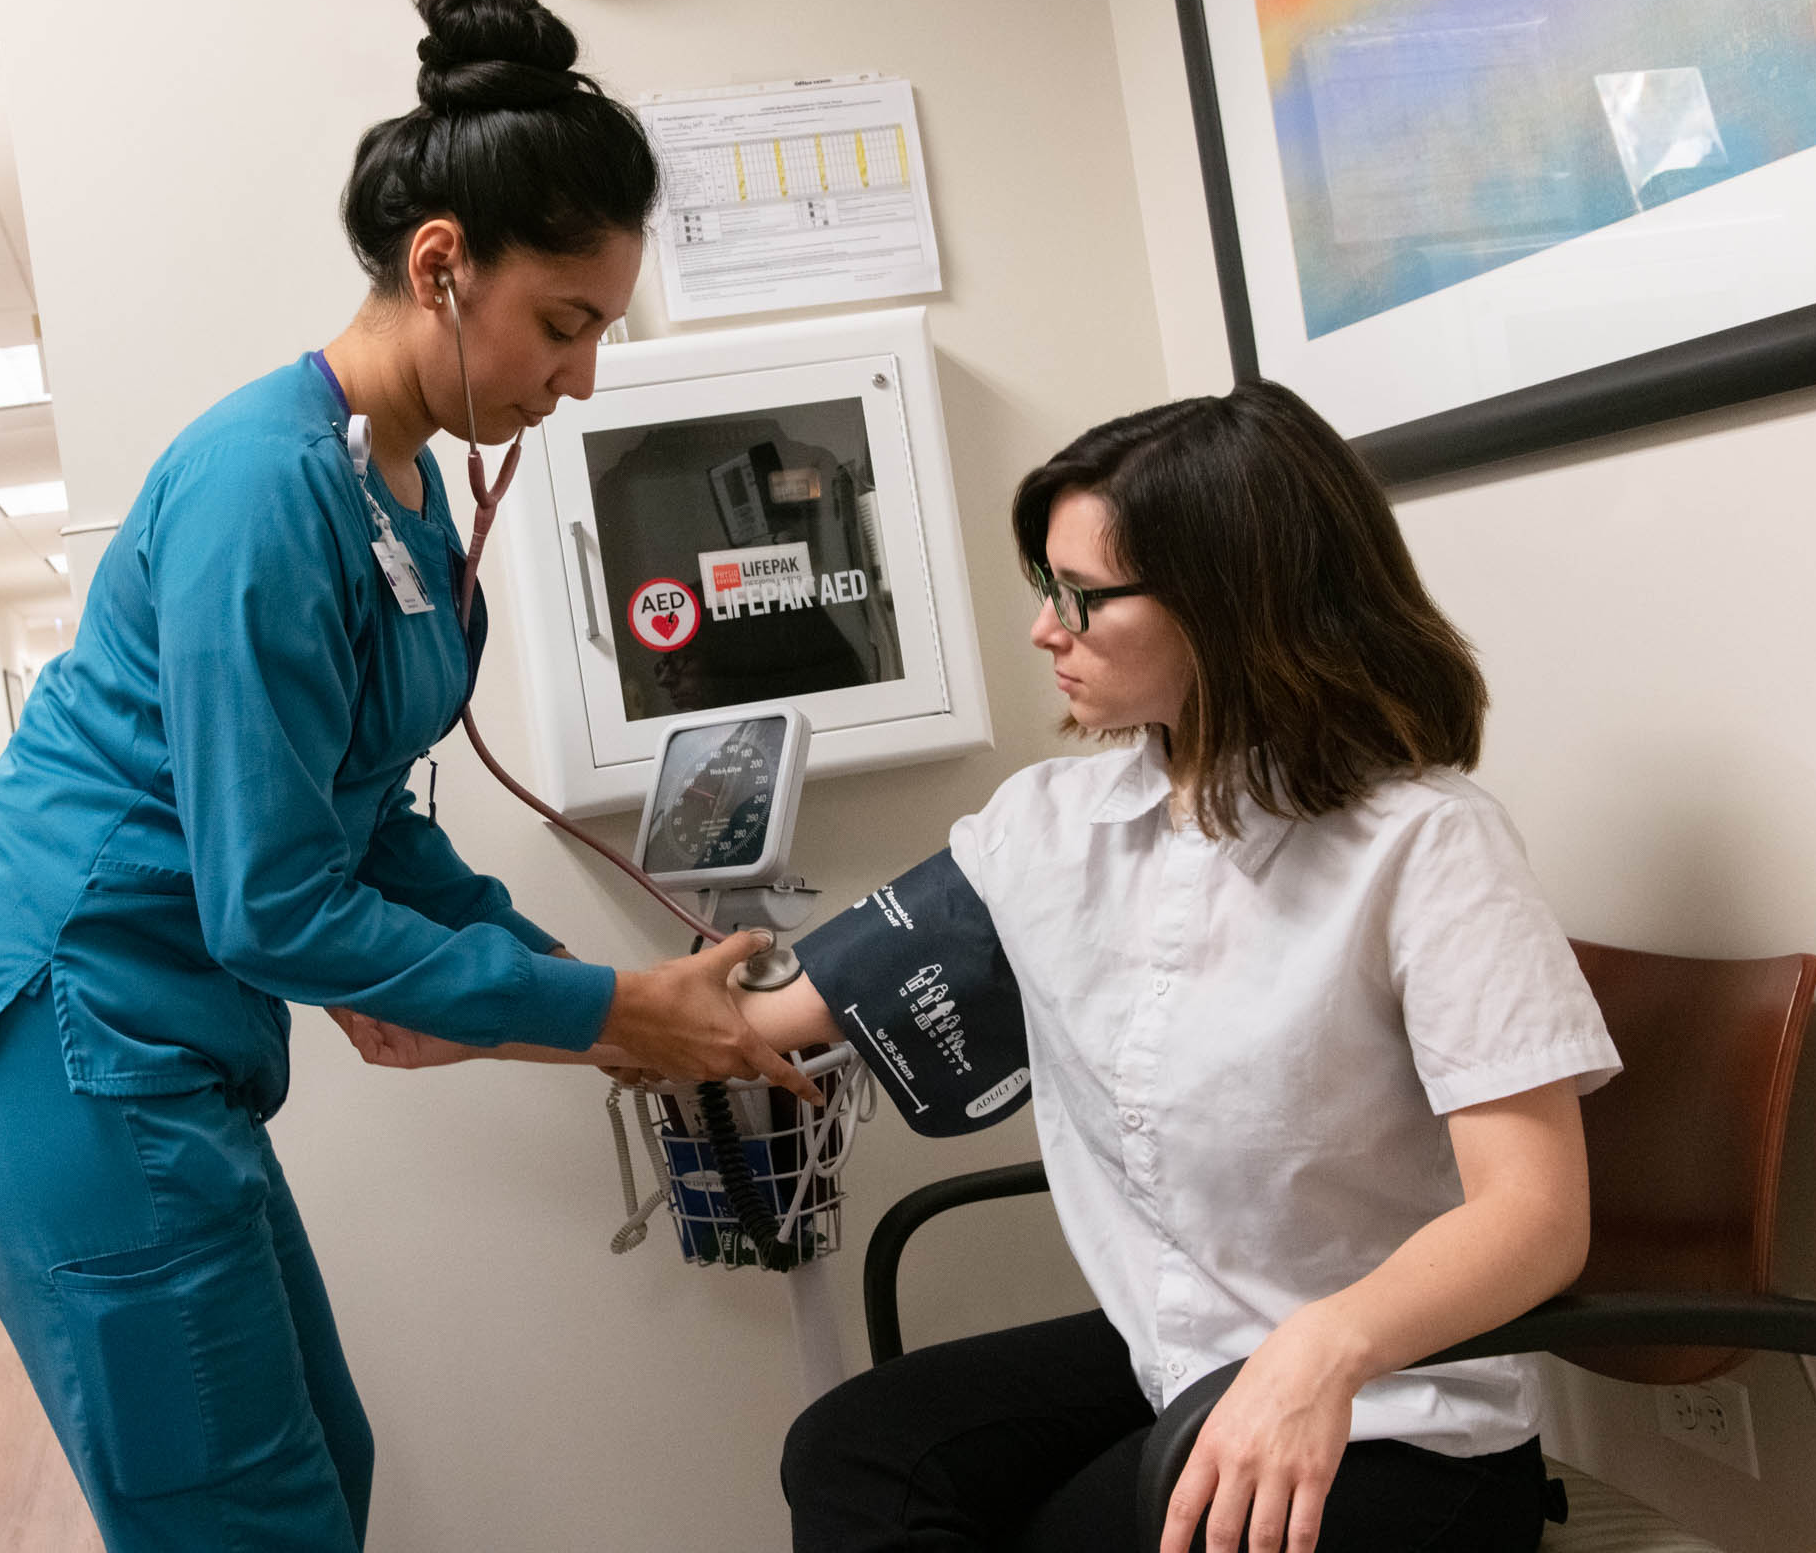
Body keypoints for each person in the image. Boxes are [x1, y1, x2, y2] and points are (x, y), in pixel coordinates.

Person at [0, 0, 805, 1552]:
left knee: (321, 1466)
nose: (580, 379)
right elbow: (277, 906)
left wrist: (593, 995)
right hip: (46, 1036)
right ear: (441, 266)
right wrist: (601, 1015)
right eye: (562, 324)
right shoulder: (263, 490)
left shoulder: (400, 493)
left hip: (155, 1034)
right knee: (249, 1522)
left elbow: (363, 827)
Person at [347, 380, 1623, 1552]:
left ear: (1234, 604)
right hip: (1179, 1355)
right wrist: (475, 1022)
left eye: (1082, 595)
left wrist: (1326, 1348)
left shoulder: (1427, 847)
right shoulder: (1050, 829)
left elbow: (1535, 1217)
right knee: (856, 1450)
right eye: (1044, 585)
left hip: (1393, 1409)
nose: (1042, 629)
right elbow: (750, 1021)